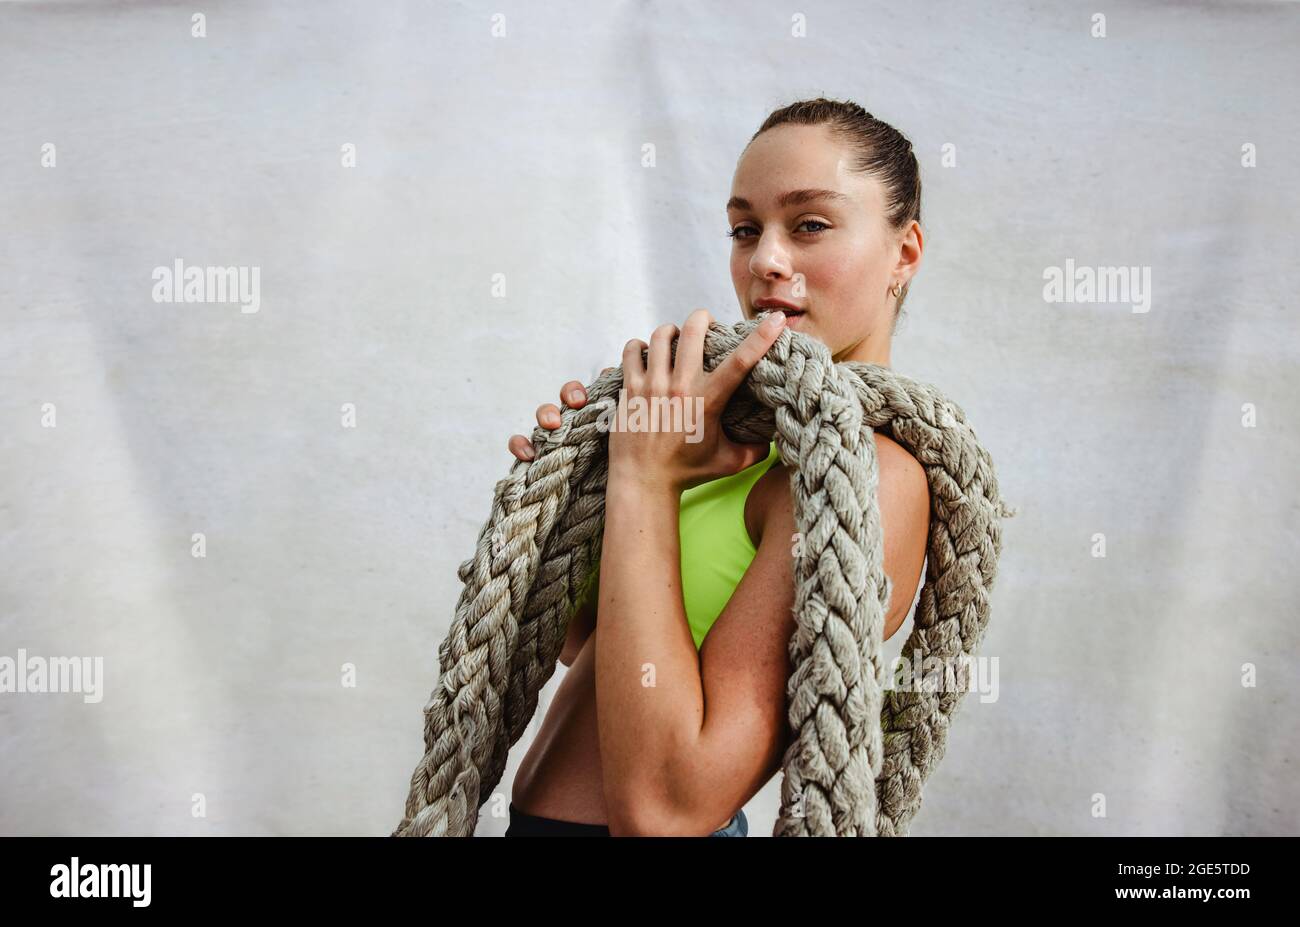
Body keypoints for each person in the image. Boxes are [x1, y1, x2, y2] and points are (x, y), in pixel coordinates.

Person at [502, 98, 932, 837]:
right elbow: (596, 654)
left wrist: (644, 477)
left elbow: (667, 807)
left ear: (904, 252)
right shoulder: (735, 437)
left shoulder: (867, 481)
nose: (766, 258)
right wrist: (586, 496)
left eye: (810, 225)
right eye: (745, 229)